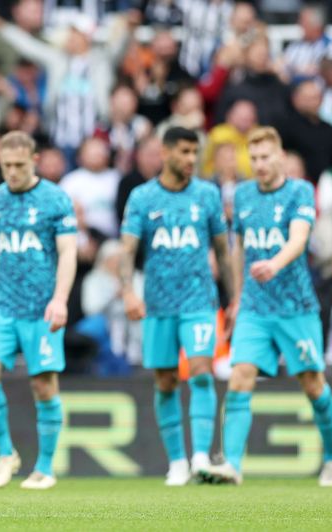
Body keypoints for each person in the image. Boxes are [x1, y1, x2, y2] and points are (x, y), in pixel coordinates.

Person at [207, 127, 332, 487]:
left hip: (295, 307)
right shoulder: (244, 193)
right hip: (255, 307)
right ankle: (231, 465)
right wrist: (235, 297)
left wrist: (274, 264)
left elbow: (299, 240)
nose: (259, 165)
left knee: (313, 385)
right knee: (240, 377)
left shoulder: (300, 191)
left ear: (281, 156)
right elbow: (238, 249)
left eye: (265, 157)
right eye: (253, 159)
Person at [0, 131, 77, 490]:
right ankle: (7, 453)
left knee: (43, 385)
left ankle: (44, 467)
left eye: (19, 165)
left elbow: (68, 252)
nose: (11, 172)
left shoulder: (56, 199)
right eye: (6, 165)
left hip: (41, 309)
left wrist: (60, 299)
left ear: (34, 161)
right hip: (2, 307)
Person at [119, 127, 235, 486]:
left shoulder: (207, 194)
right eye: (184, 151)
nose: (191, 159)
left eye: (194, 152)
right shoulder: (142, 197)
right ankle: (177, 463)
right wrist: (128, 292)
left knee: (201, 370)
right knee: (166, 381)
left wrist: (234, 300)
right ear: (165, 153)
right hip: (158, 303)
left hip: (200, 301)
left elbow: (222, 251)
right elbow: (126, 251)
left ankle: (201, 456)